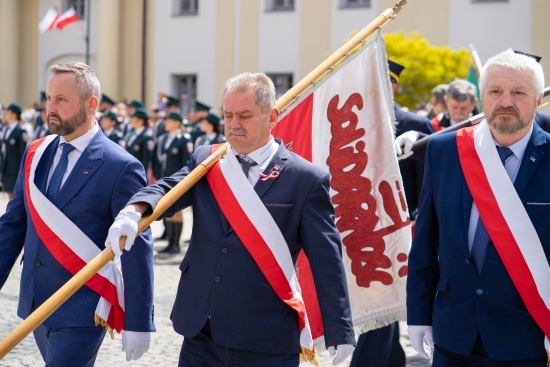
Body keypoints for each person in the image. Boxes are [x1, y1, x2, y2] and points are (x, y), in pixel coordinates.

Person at [106, 72, 356, 366]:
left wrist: (339, 328)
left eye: (245, 116)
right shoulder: (209, 160)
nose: (234, 125)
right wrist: (134, 210)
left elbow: (326, 259)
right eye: (228, 115)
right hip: (202, 328)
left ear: (272, 117)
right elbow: (168, 187)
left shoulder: (306, 180)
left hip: (266, 333)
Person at [0, 62, 155, 365]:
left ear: (91, 104)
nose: (50, 108)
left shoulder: (120, 166)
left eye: (61, 99)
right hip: (36, 300)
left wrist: (139, 320)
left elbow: (137, 245)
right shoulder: (36, 153)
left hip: (83, 307)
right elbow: (13, 225)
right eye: (48, 98)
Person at [407, 49, 550, 365]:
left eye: (518, 92)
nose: (505, 101)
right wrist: (417, 314)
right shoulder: (444, 151)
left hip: (529, 338)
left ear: (539, 99)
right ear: (481, 98)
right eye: (495, 91)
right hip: (453, 335)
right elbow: (426, 242)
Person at [350, 59, 434, 367]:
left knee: (381, 305)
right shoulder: (353, 122)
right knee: (379, 307)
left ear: (392, 86)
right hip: (359, 228)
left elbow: (427, 188)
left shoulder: (416, 125)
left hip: (399, 231)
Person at [155, 111, 193, 254]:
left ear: (177, 122)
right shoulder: (165, 138)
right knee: (168, 211)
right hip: (166, 179)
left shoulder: (184, 139)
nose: (166, 123)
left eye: (169, 120)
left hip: (178, 181)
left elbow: (187, 163)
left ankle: (176, 243)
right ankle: (170, 241)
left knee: (177, 211)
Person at [1, 103, 29, 199]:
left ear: (14, 114)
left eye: (8, 111)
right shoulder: (7, 129)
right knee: (10, 196)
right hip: (7, 169)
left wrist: (21, 172)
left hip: (15, 170)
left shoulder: (21, 131)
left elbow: (23, 153)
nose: (5, 114)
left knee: (16, 198)